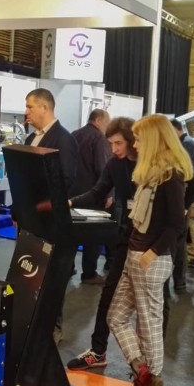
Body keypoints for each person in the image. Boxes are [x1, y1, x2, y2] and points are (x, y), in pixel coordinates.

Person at [107, 114, 193, 386]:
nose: (135, 144)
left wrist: (151, 253)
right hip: (136, 255)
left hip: (150, 260)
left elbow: (176, 224)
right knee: (116, 317)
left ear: (154, 139)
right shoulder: (152, 174)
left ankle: (148, 385)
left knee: (148, 326)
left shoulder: (170, 176)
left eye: (139, 139)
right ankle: (144, 376)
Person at [67, 117, 137, 371]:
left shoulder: (151, 163)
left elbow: (192, 178)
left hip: (151, 246)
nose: (114, 149)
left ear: (132, 140)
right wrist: (70, 202)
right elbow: (98, 191)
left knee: (152, 307)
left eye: (118, 143)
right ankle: (98, 352)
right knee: (108, 295)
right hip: (126, 238)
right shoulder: (115, 164)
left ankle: (150, 367)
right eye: (111, 144)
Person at [23, 87, 82, 344]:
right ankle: (30, 321)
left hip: (51, 221)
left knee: (52, 277)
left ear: (44, 108)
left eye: (30, 106)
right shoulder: (30, 139)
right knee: (29, 272)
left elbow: (66, 180)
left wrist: (43, 204)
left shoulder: (64, 139)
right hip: (29, 221)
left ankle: (52, 328)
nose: (26, 112)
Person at [72, 109, 112, 284]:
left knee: (71, 234)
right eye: (107, 123)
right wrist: (108, 193)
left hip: (73, 194)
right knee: (94, 236)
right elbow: (102, 168)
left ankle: (68, 268)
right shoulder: (99, 139)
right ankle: (89, 273)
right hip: (92, 195)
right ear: (98, 120)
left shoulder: (73, 135)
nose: (107, 127)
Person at [170, 118, 194, 268]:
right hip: (189, 193)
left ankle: (193, 255)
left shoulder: (186, 144)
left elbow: (188, 172)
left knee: (189, 227)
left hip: (189, 194)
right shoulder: (188, 142)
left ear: (175, 129)